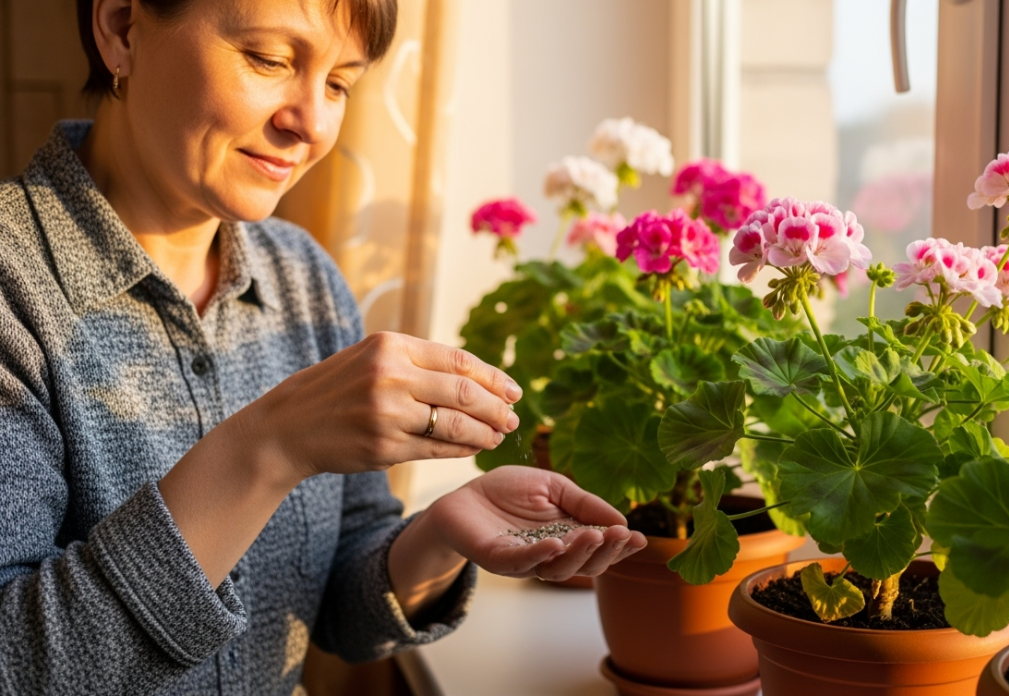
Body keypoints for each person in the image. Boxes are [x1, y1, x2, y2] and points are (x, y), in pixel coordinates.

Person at [0, 0, 647, 693]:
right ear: (122, 28)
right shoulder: (15, 284)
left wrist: (439, 537)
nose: (309, 124)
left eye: (339, 83)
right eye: (270, 59)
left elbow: (334, 608)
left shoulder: (304, 278)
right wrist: (268, 447)